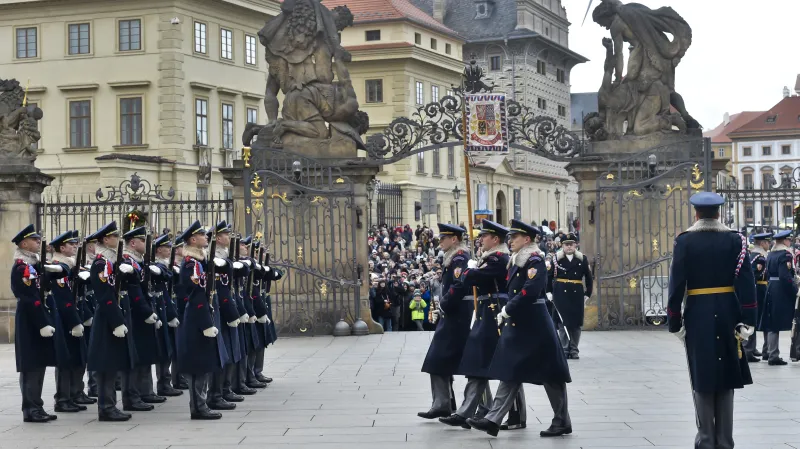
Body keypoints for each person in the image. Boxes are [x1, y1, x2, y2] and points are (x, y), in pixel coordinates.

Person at [666, 192, 757, 449]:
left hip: (698, 313)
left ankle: (705, 439)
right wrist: (748, 320)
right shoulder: (735, 240)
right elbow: (746, 283)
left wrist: (674, 321)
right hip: (729, 313)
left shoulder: (684, 241)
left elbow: (676, 286)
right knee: (727, 375)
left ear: (696, 214)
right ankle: (725, 440)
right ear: (719, 213)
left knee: (702, 374)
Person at [468, 219, 572, 438]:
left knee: (551, 374)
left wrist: (507, 309)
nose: (510, 241)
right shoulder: (516, 261)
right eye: (510, 237)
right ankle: (493, 419)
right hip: (519, 324)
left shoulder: (535, 261)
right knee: (510, 370)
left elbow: (530, 290)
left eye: (514, 237)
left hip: (536, 323)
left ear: (527, 239)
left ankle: (562, 421)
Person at [439, 219, 511, 430]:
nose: (480, 239)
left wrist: (470, 270)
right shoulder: (489, 257)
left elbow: (471, 278)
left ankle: (513, 415)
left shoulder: (498, 258)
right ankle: (468, 411)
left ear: (495, 239)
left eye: (484, 236)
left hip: (494, 311)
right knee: (478, 363)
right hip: (485, 313)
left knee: (506, 368)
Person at [418, 223, 471, 420]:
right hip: (453, 314)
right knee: (439, 360)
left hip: (458, 315)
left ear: (454, 239)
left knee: (446, 360)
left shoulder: (459, 258)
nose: (440, 242)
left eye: (443, 238)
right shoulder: (452, 257)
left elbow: (458, 285)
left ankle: (451, 404)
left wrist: (444, 305)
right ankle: (443, 403)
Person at [87, 221, 136, 422]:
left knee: (113, 363)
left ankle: (110, 406)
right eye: (115, 236)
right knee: (106, 365)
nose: (118, 239)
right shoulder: (101, 264)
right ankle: (106, 407)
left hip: (114, 314)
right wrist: (116, 321)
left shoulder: (113, 262)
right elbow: (104, 295)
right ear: (105, 239)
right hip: (107, 317)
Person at [176, 220, 224, 420]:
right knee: (197, 366)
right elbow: (196, 295)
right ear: (193, 240)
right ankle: (198, 407)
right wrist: (205, 323)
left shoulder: (200, 262)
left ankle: (201, 404)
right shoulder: (191, 264)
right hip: (197, 318)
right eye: (203, 235)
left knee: (203, 364)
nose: (206, 237)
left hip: (202, 315)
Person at [12, 224, 58, 423]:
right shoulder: (21, 268)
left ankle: (37, 406)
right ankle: (30, 409)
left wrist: (46, 270)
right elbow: (30, 298)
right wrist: (41, 323)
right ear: (24, 243)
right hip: (30, 321)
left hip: (38, 319)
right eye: (34, 240)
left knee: (39, 365)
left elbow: (43, 289)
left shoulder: (32, 265)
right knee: (31, 366)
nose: (38, 242)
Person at [120, 226, 164, 412]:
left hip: (144, 311)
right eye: (143, 241)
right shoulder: (127, 261)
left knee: (146, 353)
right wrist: (146, 311)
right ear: (132, 243)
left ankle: (145, 390)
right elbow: (133, 291)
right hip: (135, 313)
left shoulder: (140, 261)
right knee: (134, 358)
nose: (147, 244)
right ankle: (132, 396)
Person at [46, 230, 89, 413]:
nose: (74, 247)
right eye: (71, 245)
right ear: (61, 248)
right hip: (65, 319)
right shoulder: (59, 266)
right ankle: (62, 399)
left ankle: (73, 394)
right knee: (65, 360)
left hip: (74, 315)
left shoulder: (70, 266)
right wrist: (73, 321)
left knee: (77, 357)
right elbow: (63, 298)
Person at [206, 222, 243, 410]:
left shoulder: (225, 258)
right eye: (226, 235)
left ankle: (225, 389)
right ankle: (215, 393)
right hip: (218, 309)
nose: (229, 237)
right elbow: (219, 290)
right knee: (220, 353)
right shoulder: (211, 258)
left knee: (229, 350)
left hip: (226, 308)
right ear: (218, 238)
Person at [547, 233, 593, 360]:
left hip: (576, 293)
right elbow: (549, 275)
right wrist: (548, 292)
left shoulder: (582, 259)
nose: (569, 247)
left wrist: (587, 293)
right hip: (560, 293)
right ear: (562, 246)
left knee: (576, 323)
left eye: (571, 244)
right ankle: (565, 348)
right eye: (566, 244)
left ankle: (574, 349)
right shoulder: (556, 259)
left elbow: (589, 278)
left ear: (576, 245)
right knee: (562, 322)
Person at [151, 233, 183, 397]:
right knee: (162, 349)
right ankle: (163, 382)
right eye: (167, 248)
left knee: (169, 347)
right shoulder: (156, 266)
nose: (170, 250)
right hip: (159, 309)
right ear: (158, 250)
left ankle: (168, 380)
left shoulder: (167, 265)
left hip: (167, 308)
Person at [762, 229, 796, 366]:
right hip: (781, 291)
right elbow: (785, 276)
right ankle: (773, 355)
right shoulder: (785, 255)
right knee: (776, 323)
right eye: (789, 240)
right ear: (785, 240)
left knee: (772, 323)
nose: (790, 242)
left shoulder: (771, 254)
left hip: (771, 288)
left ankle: (770, 352)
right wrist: (795, 290)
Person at [746, 232, 771, 362]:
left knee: (754, 319)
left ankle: (752, 348)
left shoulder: (753, 255)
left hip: (757, 290)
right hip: (759, 290)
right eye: (767, 242)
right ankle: (749, 349)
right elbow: (755, 276)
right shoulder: (760, 258)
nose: (769, 244)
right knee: (757, 319)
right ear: (762, 243)